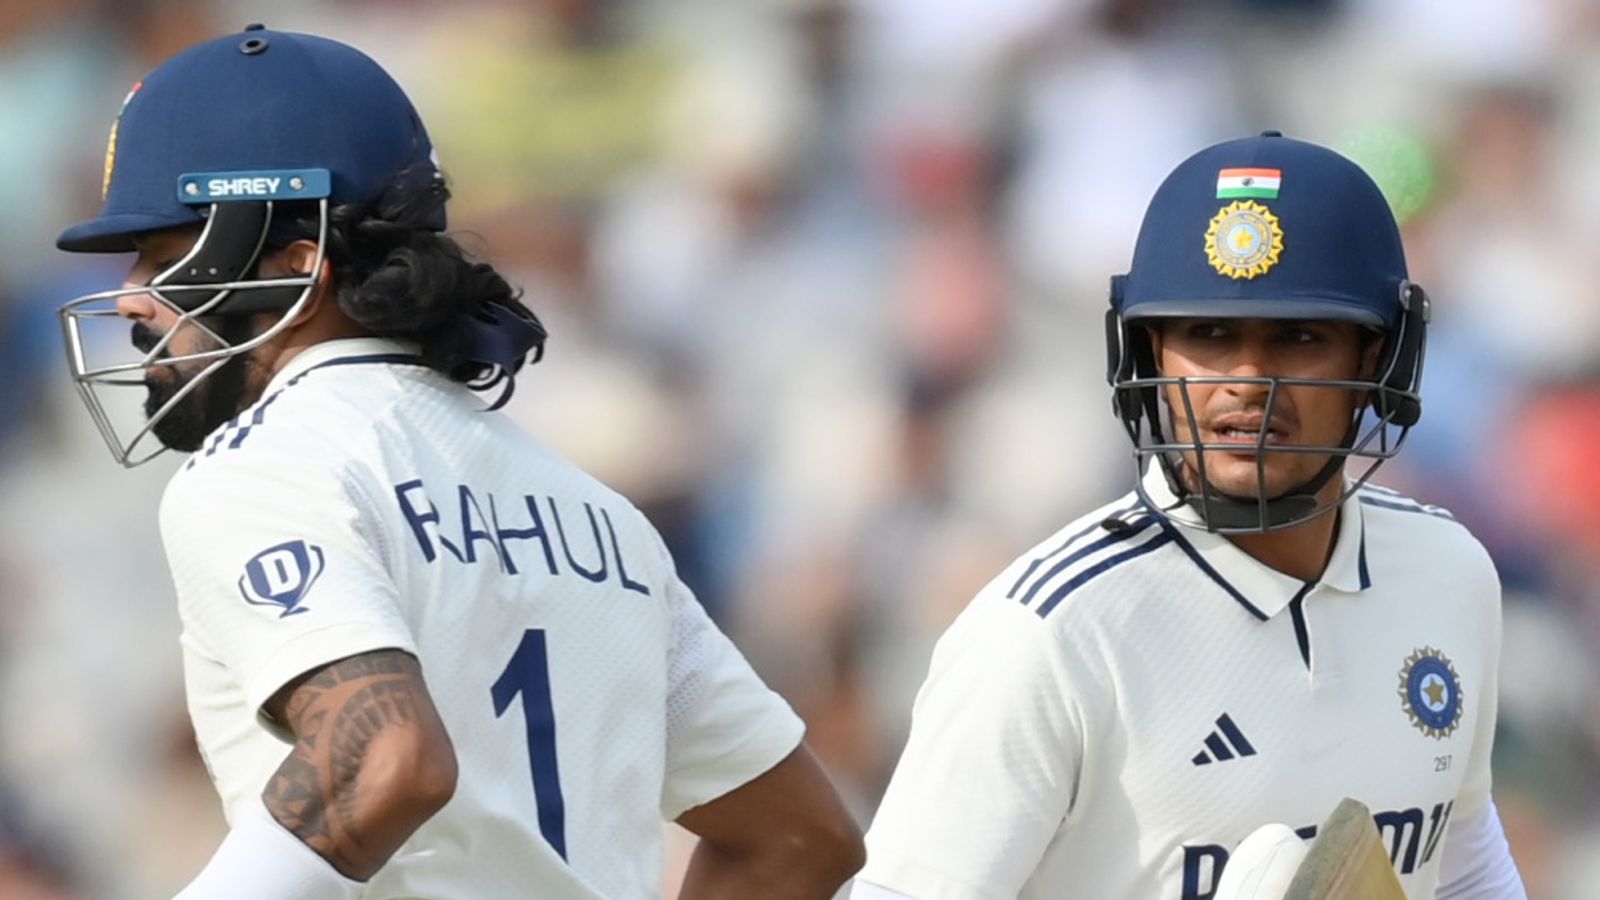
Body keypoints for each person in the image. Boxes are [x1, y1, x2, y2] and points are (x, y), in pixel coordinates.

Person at [56, 25, 864, 899]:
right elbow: (801, 838)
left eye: (166, 259)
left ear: (298, 267)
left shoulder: (264, 466)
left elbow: (385, 757)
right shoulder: (598, 512)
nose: (131, 297)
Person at [851, 133, 1526, 900]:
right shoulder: (1051, 635)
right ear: (1149, 354)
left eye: (1300, 336)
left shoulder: (1447, 571)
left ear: (1378, 359)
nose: (1248, 380)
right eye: (1209, 334)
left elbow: (1464, 868)